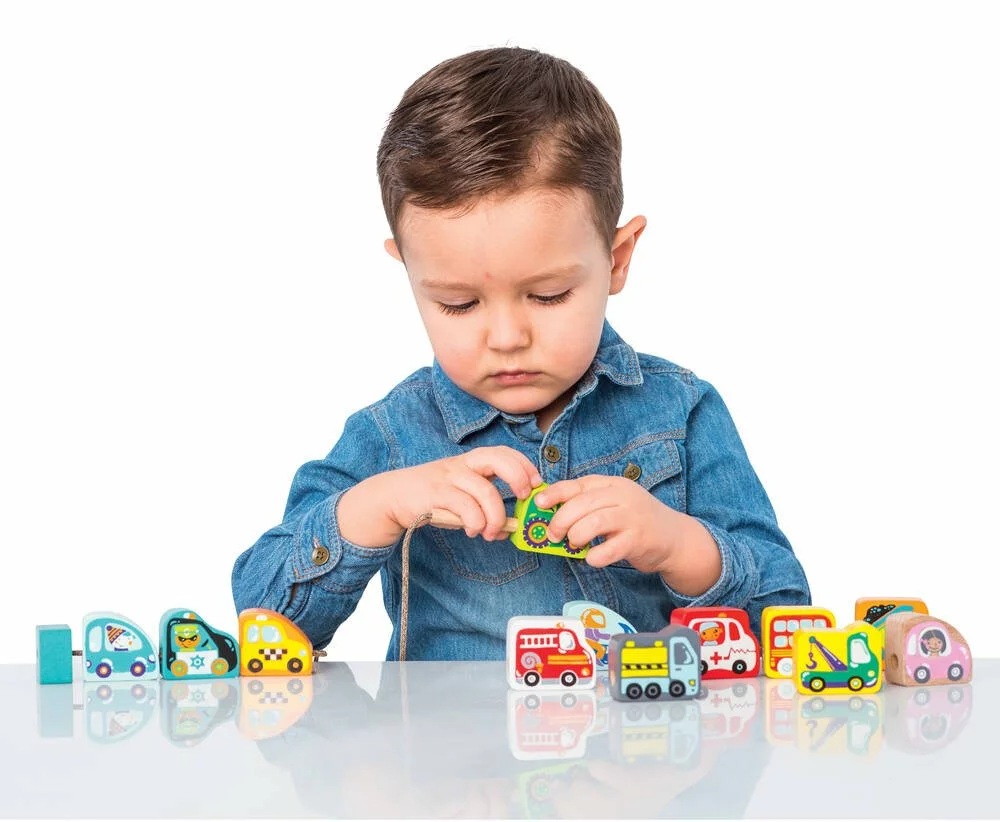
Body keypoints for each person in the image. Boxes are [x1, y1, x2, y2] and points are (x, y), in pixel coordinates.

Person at [231, 46, 810, 660]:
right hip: (449, 726)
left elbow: (787, 617)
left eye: (547, 295)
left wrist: (681, 547)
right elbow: (262, 616)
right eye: (458, 304)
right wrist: (372, 509)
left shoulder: (681, 411)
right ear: (410, 273)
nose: (506, 337)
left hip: (646, 717)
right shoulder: (391, 435)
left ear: (616, 260)